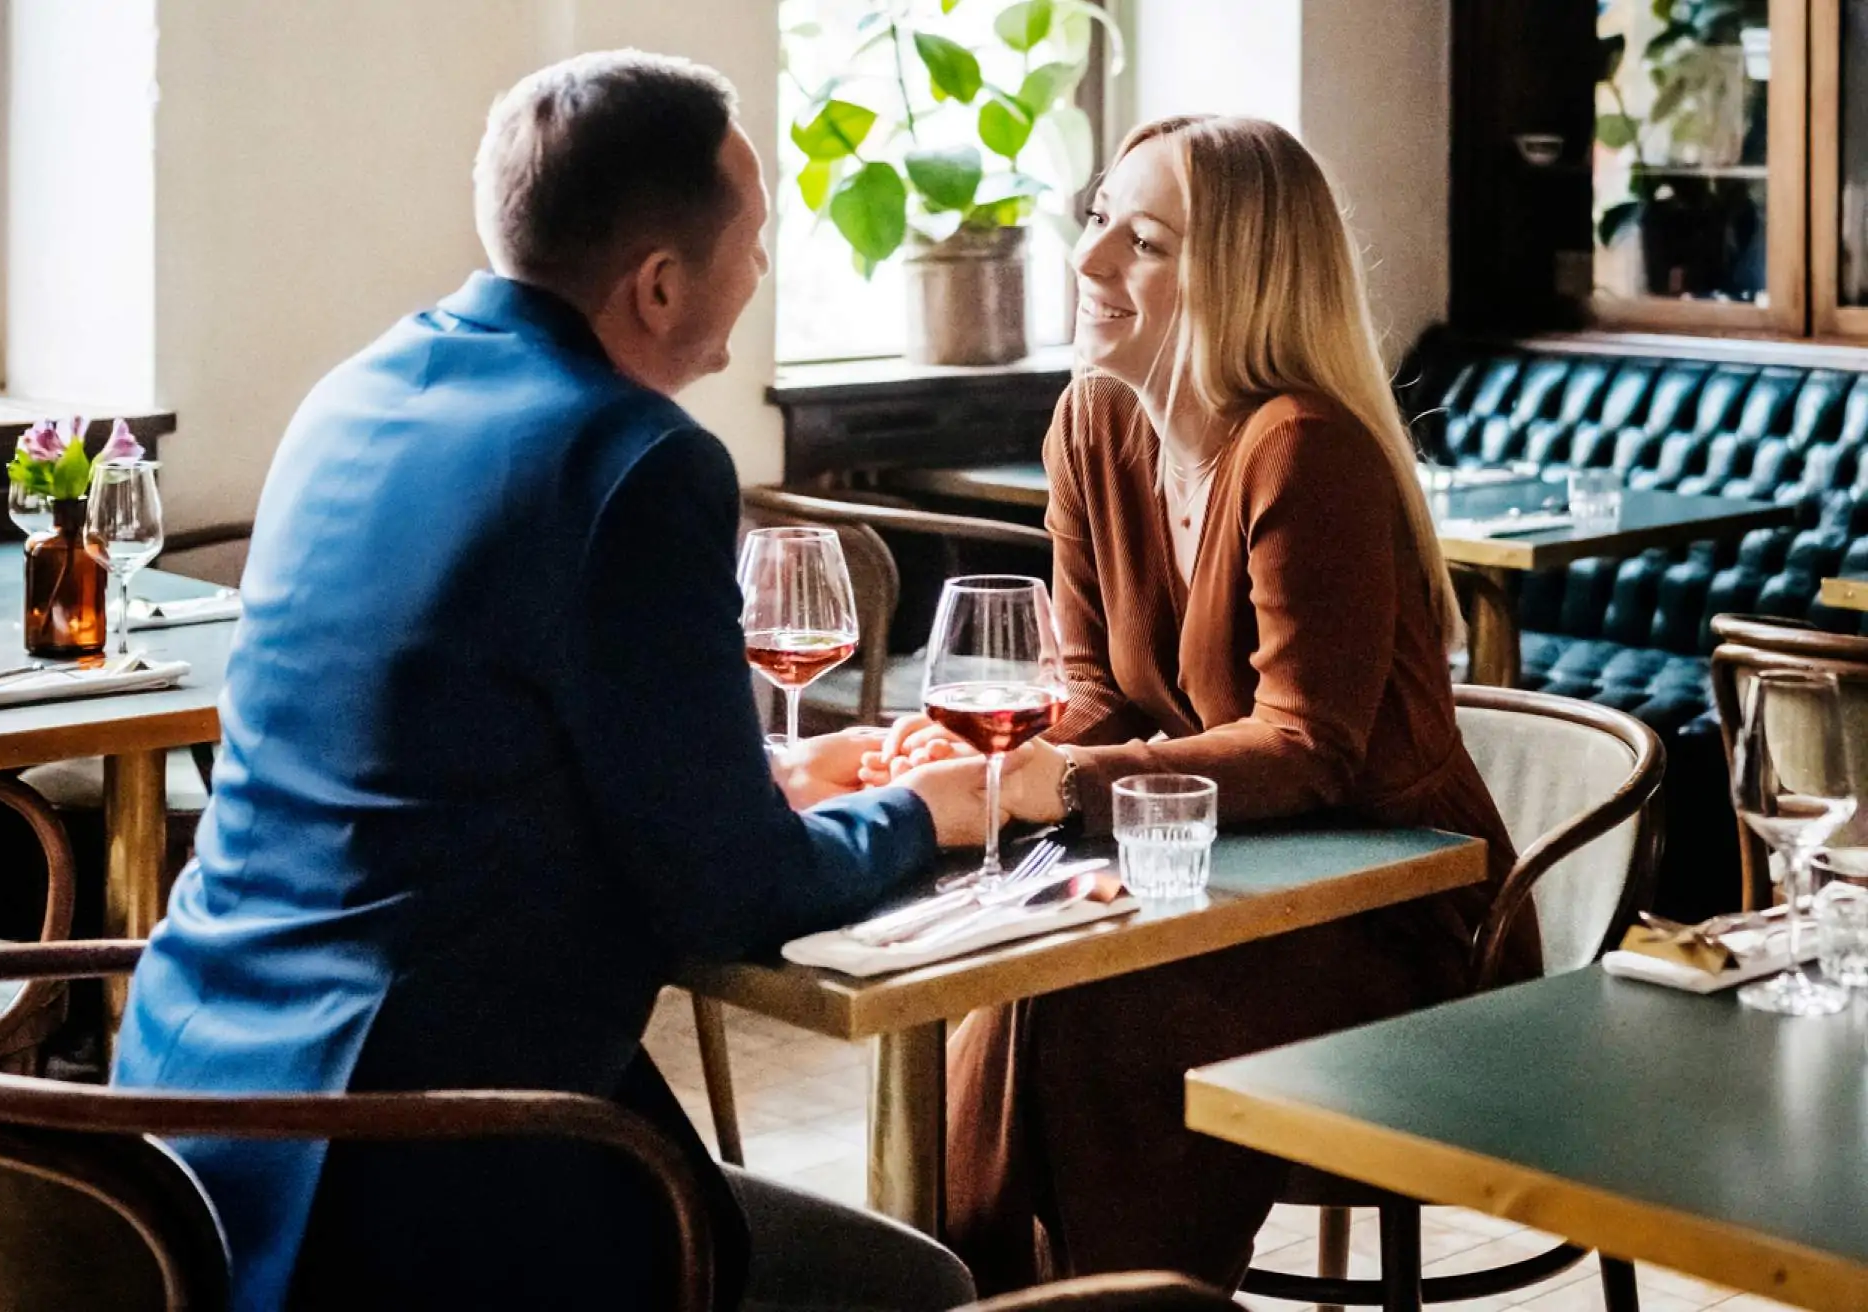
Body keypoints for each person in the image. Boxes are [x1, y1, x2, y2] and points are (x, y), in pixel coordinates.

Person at [112, 50, 988, 1312]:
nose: (763, 269)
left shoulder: (350, 393)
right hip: (423, 1175)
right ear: (660, 282)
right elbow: (733, 897)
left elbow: (450, 756)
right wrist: (930, 810)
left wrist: (775, 776)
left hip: (185, 1130)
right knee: (911, 1285)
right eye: (756, 240)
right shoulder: (635, 459)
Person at [863, 116, 1542, 1293]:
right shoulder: (1092, 422)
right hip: (1214, 885)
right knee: (992, 988)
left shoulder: (1304, 447)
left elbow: (1309, 747)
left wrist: (1059, 784)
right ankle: (979, 1295)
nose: (1088, 264)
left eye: (1148, 242)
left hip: (1400, 921)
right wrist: (996, 757)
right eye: (1097, 223)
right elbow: (1088, 692)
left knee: (1096, 1013)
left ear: (1246, 274)